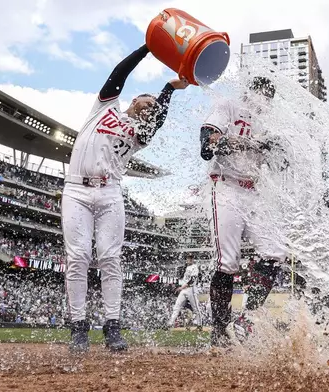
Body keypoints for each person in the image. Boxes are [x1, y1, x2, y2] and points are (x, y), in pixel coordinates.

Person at [63, 43, 189, 353]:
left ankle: (112, 326)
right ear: (132, 100)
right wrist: (148, 47)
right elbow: (119, 72)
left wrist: (168, 88)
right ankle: (79, 327)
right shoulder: (104, 108)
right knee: (78, 257)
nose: (148, 108)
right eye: (145, 102)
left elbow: (157, 120)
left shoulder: (139, 134)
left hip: (110, 193)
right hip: (77, 190)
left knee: (110, 258)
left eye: (151, 106)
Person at [199, 76, 289, 347]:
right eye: (262, 93)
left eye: (269, 96)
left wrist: (275, 149)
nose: (265, 100)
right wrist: (251, 144)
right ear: (250, 92)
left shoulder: (269, 124)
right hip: (225, 185)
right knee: (227, 262)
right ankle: (219, 332)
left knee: (275, 252)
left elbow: (281, 163)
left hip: (254, 191)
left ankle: (246, 318)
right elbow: (207, 143)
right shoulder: (229, 105)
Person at [167, 256, 203, 329]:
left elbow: (192, 280)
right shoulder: (186, 268)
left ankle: (199, 325)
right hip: (184, 289)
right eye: (188, 258)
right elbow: (184, 279)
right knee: (177, 306)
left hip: (191, 289)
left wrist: (181, 287)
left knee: (195, 308)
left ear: (193, 259)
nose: (189, 259)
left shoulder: (195, 267)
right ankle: (169, 324)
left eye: (191, 258)